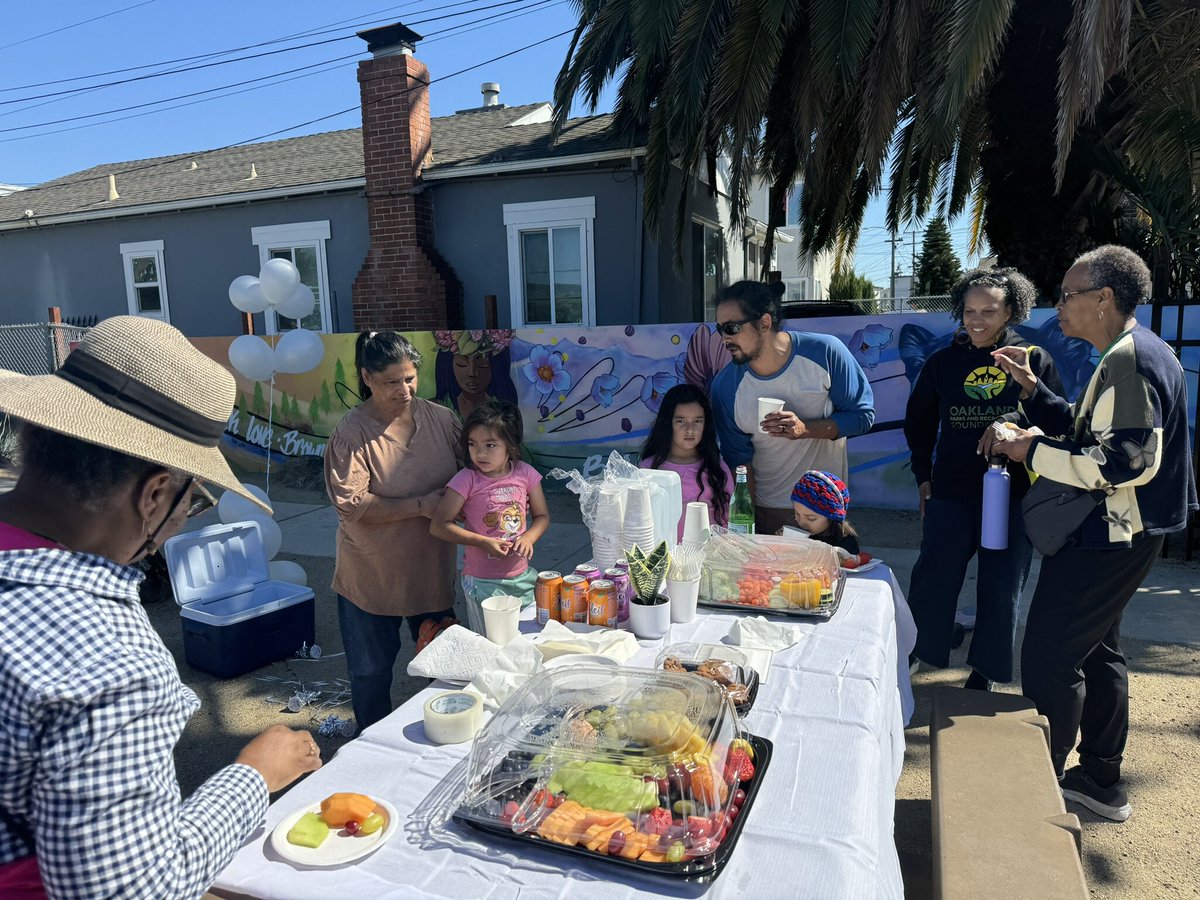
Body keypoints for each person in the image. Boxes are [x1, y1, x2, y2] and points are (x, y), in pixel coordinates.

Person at [0, 316, 320, 898]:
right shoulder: (104, 660)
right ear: (153, 496)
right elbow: (137, 888)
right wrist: (253, 775)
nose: (182, 519)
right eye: (190, 501)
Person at [983, 245, 1197, 822]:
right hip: (1123, 534)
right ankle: (1101, 779)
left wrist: (1030, 448)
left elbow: (1126, 460)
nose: (1060, 304)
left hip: (1109, 535)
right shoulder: (1133, 353)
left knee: (1052, 654)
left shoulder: (1130, 362)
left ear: (1103, 299)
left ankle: (1042, 781)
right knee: (1098, 651)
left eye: (1069, 293)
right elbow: (1092, 431)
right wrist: (1035, 395)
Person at [904, 268, 1064, 691]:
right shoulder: (942, 362)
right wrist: (923, 475)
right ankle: (919, 652)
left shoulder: (1032, 360)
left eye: (989, 311)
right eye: (970, 310)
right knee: (933, 578)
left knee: (1001, 584)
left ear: (1010, 311)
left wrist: (1010, 422)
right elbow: (918, 422)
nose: (976, 320)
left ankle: (986, 672)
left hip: (1013, 495)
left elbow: (1053, 420)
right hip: (951, 491)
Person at [324, 331, 462, 730]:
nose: (404, 389)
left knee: (445, 668)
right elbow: (351, 504)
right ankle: (369, 754)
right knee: (370, 676)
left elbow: (471, 478)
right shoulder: (352, 434)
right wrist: (421, 505)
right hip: (371, 580)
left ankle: (450, 738)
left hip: (431, 575)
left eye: (410, 378)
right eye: (391, 382)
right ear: (367, 377)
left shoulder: (442, 420)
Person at [710, 280, 875, 536]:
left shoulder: (826, 353)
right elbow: (739, 462)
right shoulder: (725, 386)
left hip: (823, 511)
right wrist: (748, 528)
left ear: (764, 323)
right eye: (719, 329)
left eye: (732, 328)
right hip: (768, 512)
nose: (724, 338)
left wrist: (806, 428)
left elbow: (863, 416)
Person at [430, 399, 549, 632]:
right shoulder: (466, 479)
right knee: (490, 646)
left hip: (523, 577)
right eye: (473, 444)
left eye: (490, 445)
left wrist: (528, 538)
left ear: (510, 446)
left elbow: (542, 516)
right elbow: (439, 525)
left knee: (527, 639)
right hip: (483, 582)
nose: (479, 453)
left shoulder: (526, 474)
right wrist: (483, 542)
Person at [638, 383, 732, 541]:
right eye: (681, 421)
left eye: (697, 421)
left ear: (705, 425)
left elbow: (730, 522)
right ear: (668, 424)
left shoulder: (718, 468)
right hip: (663, 558)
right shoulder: (648, 469)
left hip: (709, 557)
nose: (690, 429)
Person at [789, 470, 860, 556]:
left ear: (832, 517)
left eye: (811, 518)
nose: (801, 523)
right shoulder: (802, 534)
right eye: (797, 514)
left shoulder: (845, 544)